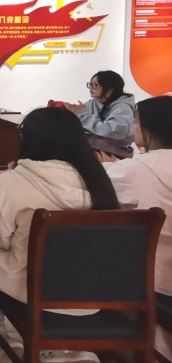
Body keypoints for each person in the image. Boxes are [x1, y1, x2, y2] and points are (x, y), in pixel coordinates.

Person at [0, 107, 119, 363]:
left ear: (26, 139)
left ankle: (5, 339)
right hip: (95, 294)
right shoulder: (101, 181)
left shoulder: (12, 183)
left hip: (34, 293)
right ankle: (72, 349)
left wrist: (13, 174)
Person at [102, 96, 172, 360]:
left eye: (136, 122)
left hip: (155, 279)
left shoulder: (135, 170)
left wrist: (111, 166)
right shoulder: (138, 166)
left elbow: (92, 185)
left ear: (149, 128)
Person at [64, 70, 135, 142]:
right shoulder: (92, 103)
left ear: (110, 89)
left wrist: (81, 114)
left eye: (95, 84)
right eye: (90, 84)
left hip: (116, 149)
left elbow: (109, 131)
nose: (91, 87)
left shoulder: (123, 107)